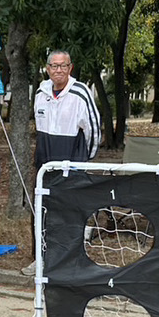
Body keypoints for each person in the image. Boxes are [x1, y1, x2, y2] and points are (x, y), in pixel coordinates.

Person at [24, 50, 102, 276]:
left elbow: (93, 131)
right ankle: (39, 259)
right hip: (44, 164)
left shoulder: (80, 93)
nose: (58, 70)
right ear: (47, 69)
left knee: (70, 212)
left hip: (72, 161)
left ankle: (69, 262)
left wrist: (83, 160)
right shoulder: (41, 91)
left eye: (63, 66)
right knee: (42, 211)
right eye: (54, 66)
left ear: (70, 68)